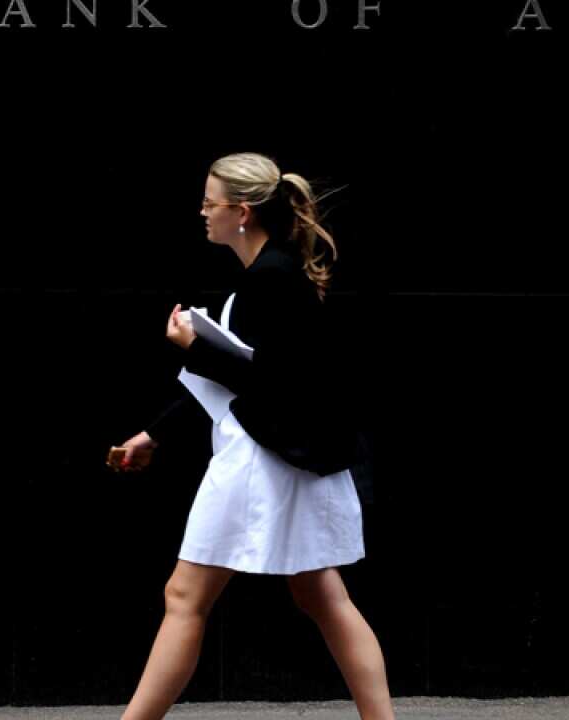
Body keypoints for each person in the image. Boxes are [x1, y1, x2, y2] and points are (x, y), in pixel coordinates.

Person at [110, 152, 393, 720]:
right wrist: (154, 432)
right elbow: (247, 375)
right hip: (289, 459)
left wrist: (196, 347)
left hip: (262, 461)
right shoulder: (272, 274)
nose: (202, 212)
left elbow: (270, 382)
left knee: (185, 597)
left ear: (241, 212)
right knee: (321, 595)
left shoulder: (271, 280)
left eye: (210, 203)